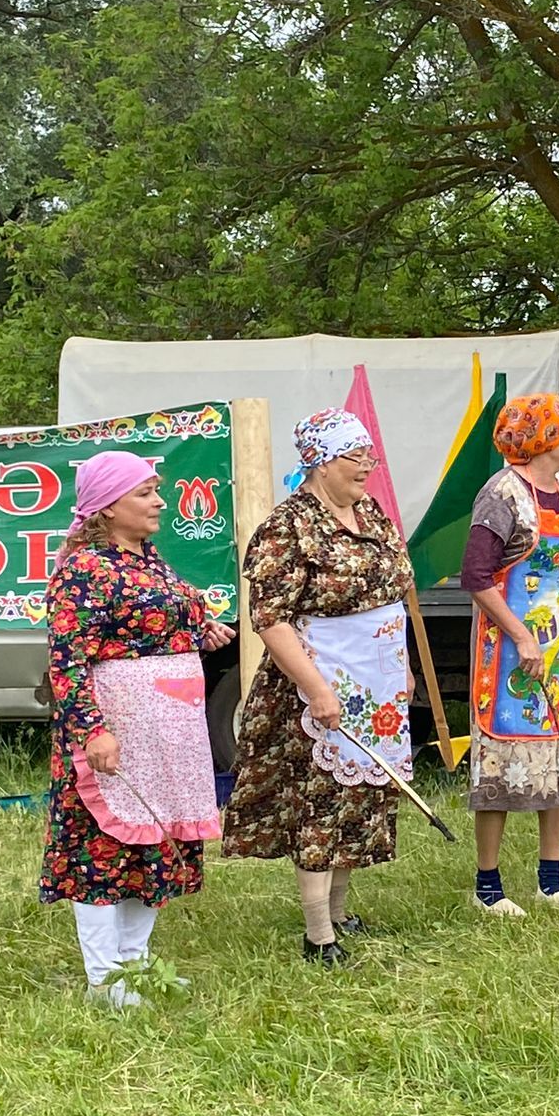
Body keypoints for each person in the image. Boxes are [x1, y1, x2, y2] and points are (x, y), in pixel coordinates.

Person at [40, 451, 234, 1009]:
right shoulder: (86, 570)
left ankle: (135, 967)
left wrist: (202, 626)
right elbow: (68, 660)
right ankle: (105, 980)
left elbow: (172, 611)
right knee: (101, 851)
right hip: (116, 728)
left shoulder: (147, 560)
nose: (160, 501)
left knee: (153, 844)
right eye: (146, 492)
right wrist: (92, 731)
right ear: (108, 505)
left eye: (156, 490)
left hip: (166, 733)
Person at [223, 408, 415, 965]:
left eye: (368, 457)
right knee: (321, 801)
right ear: (321, 462)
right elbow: (272, 619)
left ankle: (340, 911)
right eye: (356, 458)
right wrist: (317, 689)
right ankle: (318, 935)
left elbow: (391, 589)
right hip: (317, 682)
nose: (367, 469)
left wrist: (399, 663)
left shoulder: (371, 513)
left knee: (359, 796)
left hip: (374, 678)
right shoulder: (287, 527)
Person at [459, 394, 559, 917]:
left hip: (556, 650)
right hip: (508, 650)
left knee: (557, 755)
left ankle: (550, 880)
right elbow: (476, 577)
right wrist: (521, 637)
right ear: (548, 439)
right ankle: (488, 885)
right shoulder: (501, 494)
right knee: (502, 761)